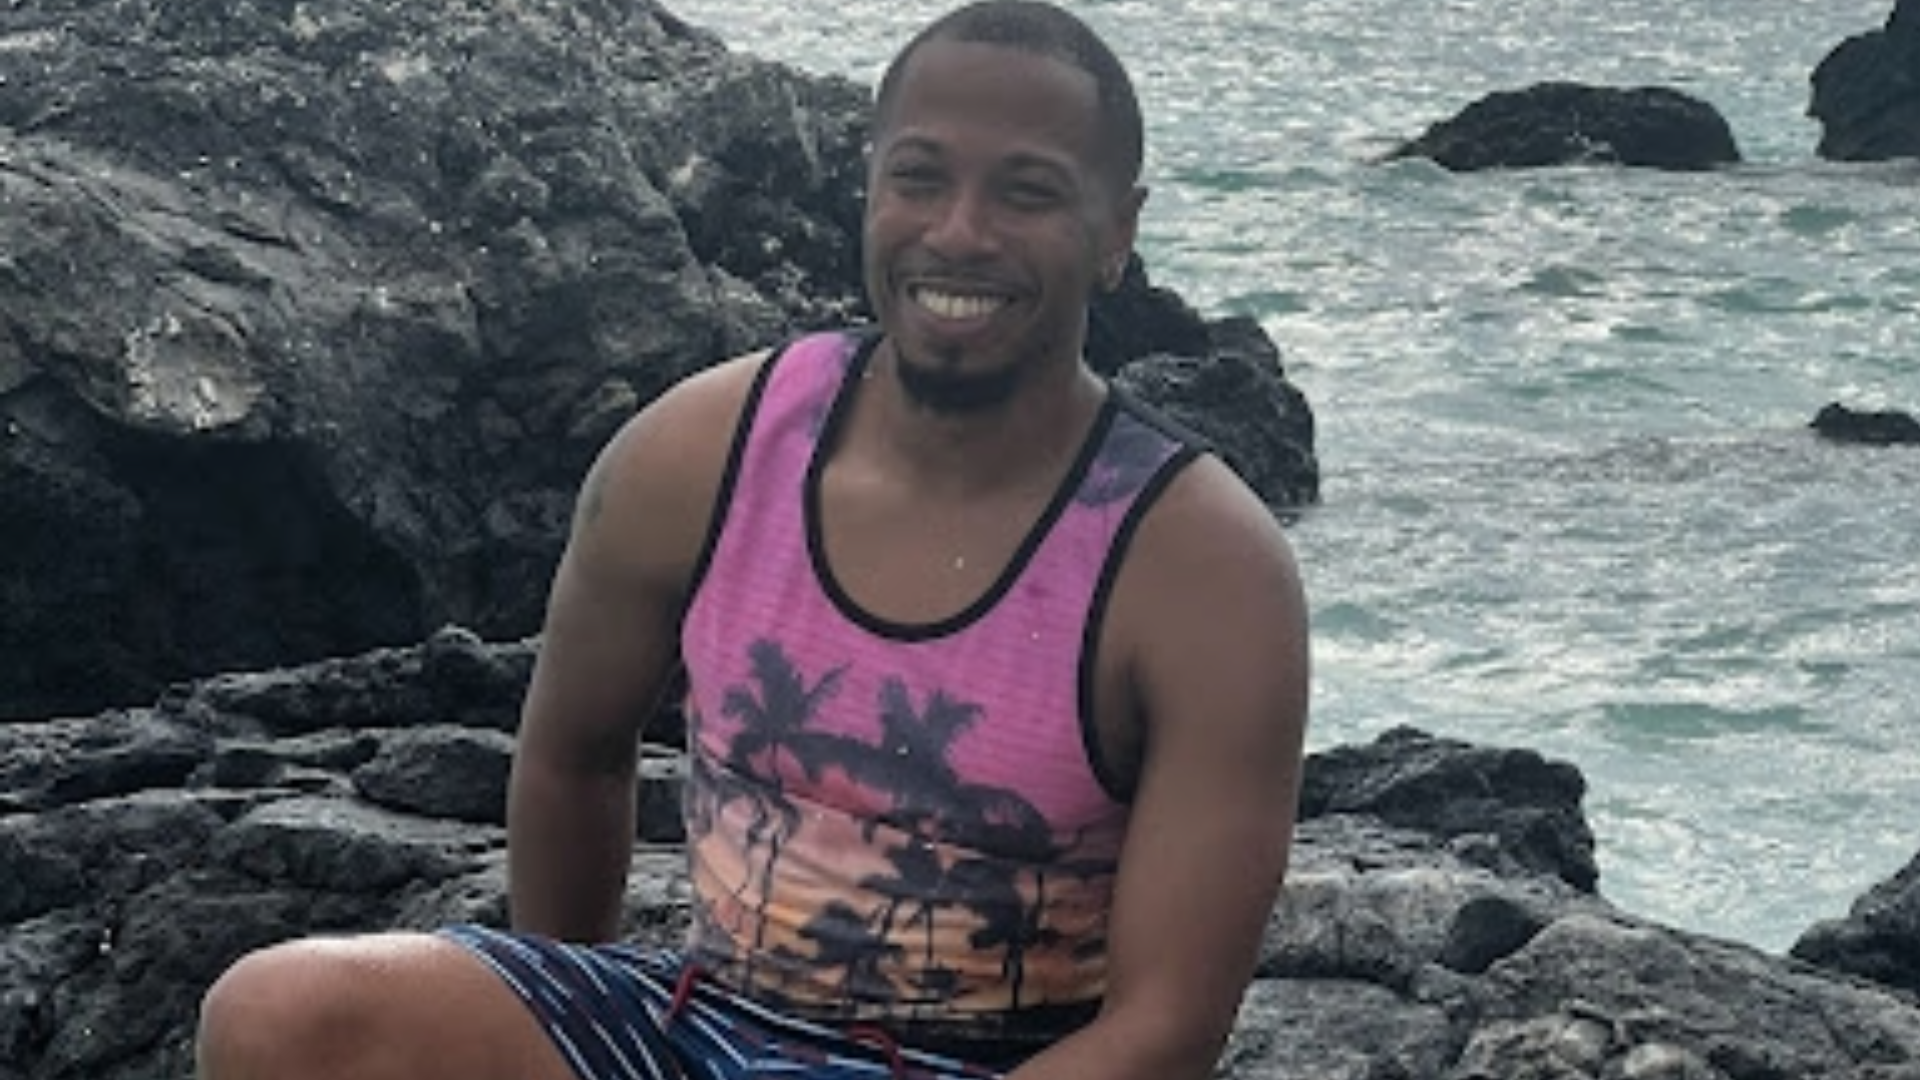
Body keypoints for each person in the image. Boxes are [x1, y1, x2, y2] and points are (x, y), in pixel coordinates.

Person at [193, 2, 1310, 1078]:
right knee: (279, 1015)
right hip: (702, 1023)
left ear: (1118, 232)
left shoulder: (1202, 568)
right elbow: (576, 755)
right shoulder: (701, 453)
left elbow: (1166, 1030)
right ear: (870, 189)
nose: (959, 232)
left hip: (989, 1064)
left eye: (1027, 193)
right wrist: (565, 1016)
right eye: (919, 178)